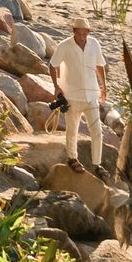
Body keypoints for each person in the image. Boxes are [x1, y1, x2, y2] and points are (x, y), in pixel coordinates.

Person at [50, 17, 109, 175]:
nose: (82, 36)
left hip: (91, 95)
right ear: (74, 31)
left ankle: (97, 164)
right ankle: (72, 158)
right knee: (72, 129)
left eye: (85, 33)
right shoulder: (64, 46)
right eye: (79, 33)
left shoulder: (94, 44)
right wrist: (56, 86)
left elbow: (99, 65)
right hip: (72, 96)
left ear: (88, 32)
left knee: (97, 130)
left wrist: (104, 86)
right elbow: (52, 65)